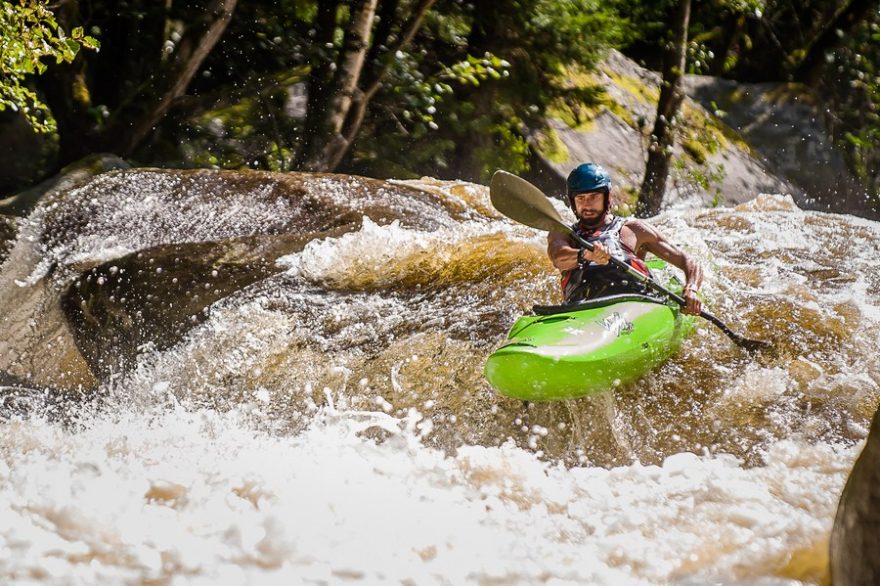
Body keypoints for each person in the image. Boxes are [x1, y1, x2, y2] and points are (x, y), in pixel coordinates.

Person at [546, 162, 703, 315]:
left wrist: (691, 288)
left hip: (636, 309)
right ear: (573, 201)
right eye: (581, 198)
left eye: (594, 196)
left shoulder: (633, 230)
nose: (587, 204)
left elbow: (688, 261)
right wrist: (585, 255)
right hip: (582, 310)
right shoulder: (563, 233)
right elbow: (558, 258)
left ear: (607, 197)